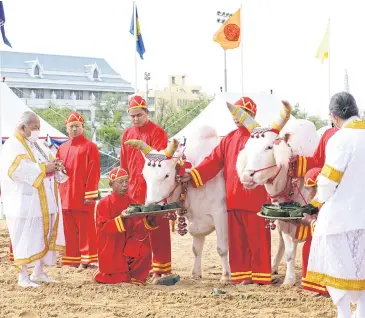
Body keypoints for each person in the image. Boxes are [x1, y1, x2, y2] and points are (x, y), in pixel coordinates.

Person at [184, 97, 272, 285]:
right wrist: (192, 174)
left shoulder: (262, 137)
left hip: (256, 198)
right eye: (234, 113)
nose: (236, 117)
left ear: (252, 115)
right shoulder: (229, 138)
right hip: (233, 198)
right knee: (238, 242)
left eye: (241, 113)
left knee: (257, 241)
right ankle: (242, 276)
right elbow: (213, 160)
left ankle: (260, 276)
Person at [305, 92, 365, 318]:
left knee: (337, 275)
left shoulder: (340, 139)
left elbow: (329, 181)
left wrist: (314, 203)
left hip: (342, 220)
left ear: (333, 116)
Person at [0, 111, 65, 287]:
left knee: (43, 236)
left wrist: (56, 166)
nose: (38, 130)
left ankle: (38, 272)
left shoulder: (38, 144)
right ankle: (22, 276)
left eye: (38, 127)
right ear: (23, 127)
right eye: (34, 127)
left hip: (45, 201)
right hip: (25, 203)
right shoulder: (13, 145)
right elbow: (18, 170)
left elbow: (50, 162)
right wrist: (45, 168)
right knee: (24, 238)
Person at [120, 95, 171, 281]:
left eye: (139, 115)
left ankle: (161, 268)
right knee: (137, 231)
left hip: (153, 190)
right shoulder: (127, 134)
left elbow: (159, 163)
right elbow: (124, 162)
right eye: (132, 116)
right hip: (133, 189)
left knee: (157, 228)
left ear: (147, 113)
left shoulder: (157, 132)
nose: (135, 119)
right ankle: (140, 267)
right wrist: (124, 184)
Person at [94, 167, 160, 285]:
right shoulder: (103, 203)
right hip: (111, 246)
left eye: (126, 181)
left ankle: (135, 277)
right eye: (120, 182)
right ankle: (102, 273)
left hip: (127, 243)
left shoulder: (131, 201)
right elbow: (104, 228)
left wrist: (149, 220)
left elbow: (138, 228)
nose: (125, 185)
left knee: (144, 250)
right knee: (120, 278)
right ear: (111, 184)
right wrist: (121, 218)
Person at [57, 112, 100, 268]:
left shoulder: (90, 147)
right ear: (66, 128)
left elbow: (94, 172)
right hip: (65, 196)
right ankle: (72, 260)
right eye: (71, 127)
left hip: (82, 196)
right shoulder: (61, 148)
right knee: (69, 230)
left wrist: (90, 195)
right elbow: (58, 173)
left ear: (83, 128)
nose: (74, 129)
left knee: (86, 230)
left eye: (77, 126)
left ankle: (86, 260)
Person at [294, 167, 328, 296]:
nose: (309, 192)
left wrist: (310, 222)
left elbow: (326, 228)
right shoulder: (321, 198)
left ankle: (325, 289)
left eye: (310, 188)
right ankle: (318, 287)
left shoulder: (329, 201)